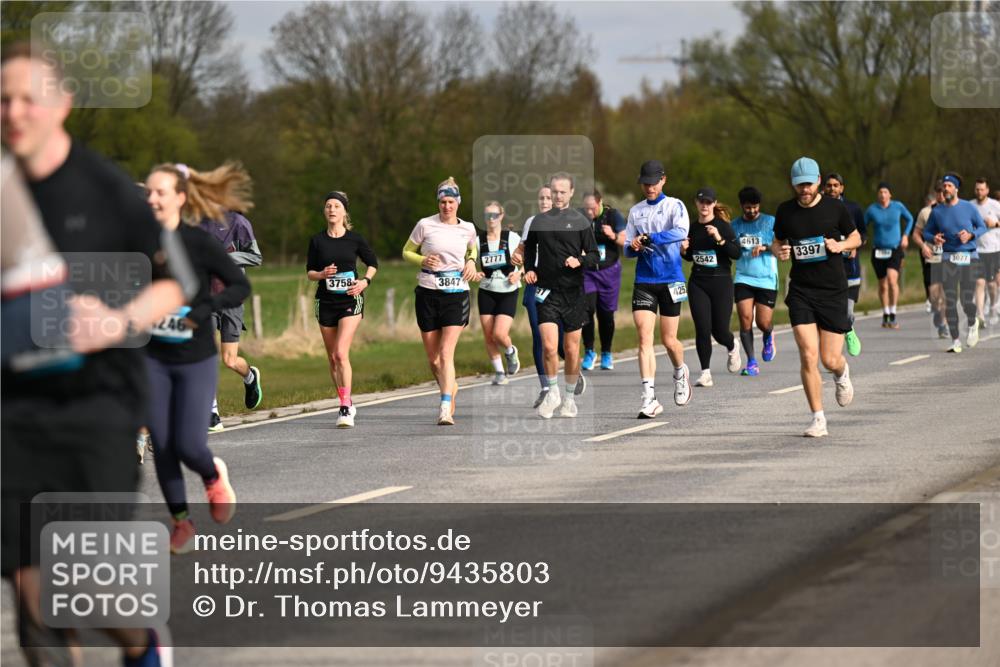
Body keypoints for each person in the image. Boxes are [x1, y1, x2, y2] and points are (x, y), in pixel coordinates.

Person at [2, 41, 189, 666]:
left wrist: (117, 320)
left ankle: (144, 648)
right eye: (3, 99)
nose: (14, 111)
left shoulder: (104, 187)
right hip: (14, 415)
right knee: (34, 605)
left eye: (29, 97)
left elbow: (176, 280)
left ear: (63, 104)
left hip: (97, 406)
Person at [144, 164, 248, 552]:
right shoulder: (137, 243)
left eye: (160, 192)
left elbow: (240, 285)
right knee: (163, 441)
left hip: (194, 357)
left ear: (181, 198)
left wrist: (205, 310)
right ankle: (181, 522)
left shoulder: (199, 243)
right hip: (152, 358)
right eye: (148, 193)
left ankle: (211, 474)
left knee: (189, 444)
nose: (152, 199)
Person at [771, 157, 859, 438]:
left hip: (833, 290)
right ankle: (818, 418)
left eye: (808, 184)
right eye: (799, 185)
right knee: (808, 355)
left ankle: (841, 373)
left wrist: (841, 244)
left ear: (818, 180)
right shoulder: (785, 211)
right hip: (801, 291)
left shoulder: (836, 208)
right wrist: (779, 251)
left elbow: (857, 238)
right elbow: (777, 241)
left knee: (830, 359)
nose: (804, 190)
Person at [187, 163, 264, 432]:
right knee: (206, 356)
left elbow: (256, 257)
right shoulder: (194, 223)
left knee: (229, 360)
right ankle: (212, 412)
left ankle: (250, 375)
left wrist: (224, 259)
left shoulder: (239, 223)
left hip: (230, 298)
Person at [522, 172, 599, 419]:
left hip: (574, 293)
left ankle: (568, 398)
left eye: (562, 192)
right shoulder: (539, 222)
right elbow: (528, 249)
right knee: (548, 345)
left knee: (572, 349)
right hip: (546, 291)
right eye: (554, 192)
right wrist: (530, 270)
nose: (557, 196)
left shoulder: (581, 221)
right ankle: (553, 391)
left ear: (571, 192)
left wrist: (580, 260)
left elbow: (596, 256)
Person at [403, 177, 478, 425]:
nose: (446, 206)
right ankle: (450, 386)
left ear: (458, 202)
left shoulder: (467, 228)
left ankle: (445, 406)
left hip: (457, 294)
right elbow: (406, 251)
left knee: (446, 353)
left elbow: (472, 249)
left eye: (451, 201)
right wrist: (422, 261)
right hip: (427, 291)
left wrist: (470, 261)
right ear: (438, 202)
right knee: (434, 359)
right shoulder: (425, 225)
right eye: (443, 202)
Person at [624, 160, 693, 419]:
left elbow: (681, 232)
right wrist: (635, 245)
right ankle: (649, 397)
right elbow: (627, 249)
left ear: (663, 179)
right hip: (644, 280)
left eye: (653, 182)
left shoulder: (674, 205)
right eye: (645, 183)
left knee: (669, 340)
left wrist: (652, 237)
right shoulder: (635, 211)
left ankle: (680, 371)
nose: (649, 187)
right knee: (644, 338)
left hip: (671, 278)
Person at [306, 191, 378, 428]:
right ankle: (345, 399)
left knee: (340, 353)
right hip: (325, 302)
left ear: (344, 211)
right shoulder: (317, 241)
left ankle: (345, 408)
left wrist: (364, 282)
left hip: (350, 301)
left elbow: (373, 264)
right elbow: (310, 272)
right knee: (331, 358)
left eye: (336, 206)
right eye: (328, 206)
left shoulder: (354, 239)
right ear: (324, 211)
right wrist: (322, 274)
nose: (332, 210)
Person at [513, 186, 570, 407]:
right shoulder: (531, 222)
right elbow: (522, 250)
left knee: (560, 338)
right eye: (542, 197)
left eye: (550, 197)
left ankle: (571, 366)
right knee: (539, 336)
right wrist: (517, 257)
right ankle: (546, 387)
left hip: (559, 284)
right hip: (535, 282)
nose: (546, 201)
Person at [682, 187, 742, 387]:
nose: (705, 206)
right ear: (696, 203)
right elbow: (691, 256)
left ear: (714, 204)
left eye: (709, 202)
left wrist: (719, 239)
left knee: (720, 331)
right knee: (702, 328)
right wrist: (684, 251)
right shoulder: (692, 228)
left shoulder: (722, 226)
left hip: (721, 282)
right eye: (701, 202)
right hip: (698, 282)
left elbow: (736, 253)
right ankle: (705, 372)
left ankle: (732, 346)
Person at [923, 173, 987, 352]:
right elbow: (926, 233)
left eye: (949, 186)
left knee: (966, 299)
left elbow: (982, 226)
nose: (946, 188)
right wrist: (934, 237)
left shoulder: (969, 207)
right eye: (944, 186)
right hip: (948, 258)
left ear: (956, 188)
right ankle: (956, 340)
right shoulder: (937, 212)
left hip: (969, 257)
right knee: (950, 300)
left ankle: (973, 323)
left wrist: (971, 235)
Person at [731, 186, 778, 376]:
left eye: (755, 207)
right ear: (742, 206)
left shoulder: (770, 222)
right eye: (748, 207)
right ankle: (751, 362)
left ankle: (768, 335)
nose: (752, 211)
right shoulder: (735, 226)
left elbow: (781, 245)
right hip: (743, 276)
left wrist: (765, 247)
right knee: (745, 320)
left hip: (766, 278)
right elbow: (732, 250)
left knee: (762, 322)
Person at [473, 201, 521, 385]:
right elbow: (470, 261)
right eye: (487, 216)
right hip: (487, 290)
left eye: (494, 215)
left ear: (501, 216)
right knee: (488, 336)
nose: (491, 219)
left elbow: (527, 257)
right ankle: (499, 372)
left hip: (508, 291)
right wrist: (474, 272)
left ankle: (510, 351)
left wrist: (519, 273)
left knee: (499, 334)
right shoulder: (479, 240)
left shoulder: (512, 238)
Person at [580, 189, 626, 371]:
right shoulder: (581, 218)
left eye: (592, 208)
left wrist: (612, 236)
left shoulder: (613, 216)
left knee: (606, 315)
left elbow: (625, 240)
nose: (589, 212)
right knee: (586, 310)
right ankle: (589, 351)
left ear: (600, 203)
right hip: (588, 272)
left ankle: (606, 352)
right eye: (586, 209)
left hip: (609, 271)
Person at [823, 173, 867, 355]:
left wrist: (854, 245)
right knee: (832, 313)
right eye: (829, 185)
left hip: (850, 270)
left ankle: (849, 330)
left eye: (836, 185)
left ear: (842, 188)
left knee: (847, 313)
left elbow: (863, 235)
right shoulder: (820, 208)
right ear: (824, 188)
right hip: (828, 269)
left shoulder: (853, 208)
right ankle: (834, 354)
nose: (832, 188)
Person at [864, 182, 913, 329]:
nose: (883, 195)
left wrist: (905, 236)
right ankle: (885, 313)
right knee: (883, 285)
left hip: (895, 249)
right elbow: (862, 225)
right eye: (880, 192)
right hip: (878, 250)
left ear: (890, 194)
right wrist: (862, 237)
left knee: (892, 280)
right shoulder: (872, 210)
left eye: (885, 192)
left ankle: (893, 312)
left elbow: (910, 219)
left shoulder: (898, 206)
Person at [912, 185, 949, 338]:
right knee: (934, 295)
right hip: (932, 257)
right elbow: (916, 234)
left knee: (946, 293)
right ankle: (937, 314)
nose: (942, 195)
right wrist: (923, 246)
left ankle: (944, 324)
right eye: (939, 192)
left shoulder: (955, 210)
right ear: (936, 194)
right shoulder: (926, 212)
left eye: (945, 192)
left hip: (949, 257)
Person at [969, 178, 1000, 326]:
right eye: (977, 189)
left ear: (987, 190)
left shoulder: (995, 205)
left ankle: (994, 307)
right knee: (979, 282)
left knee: (992, 285)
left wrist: (996, 224)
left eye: (982, 189)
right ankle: (980, 315)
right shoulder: (970, 206)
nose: (979, 192)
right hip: (977, 250)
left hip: (993, 249)